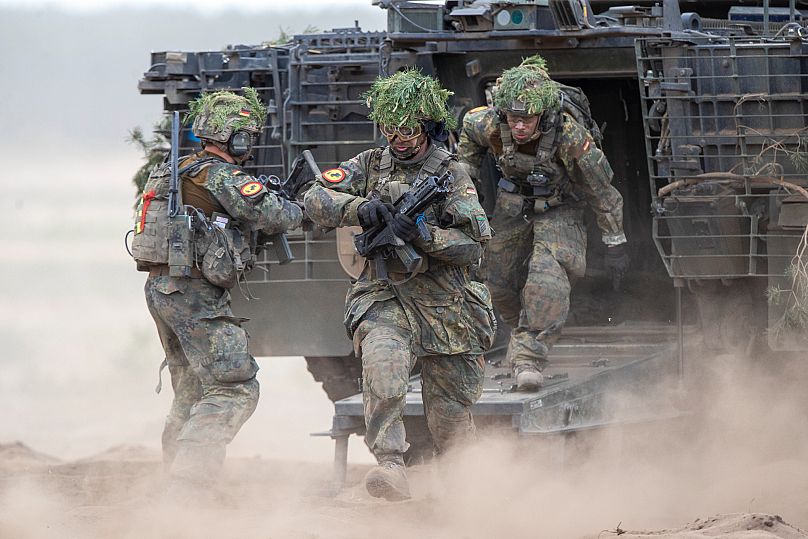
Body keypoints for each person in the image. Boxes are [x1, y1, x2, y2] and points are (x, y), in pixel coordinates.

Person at [304, 69, 495, 501]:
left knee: (449, 418)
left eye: (407, 129)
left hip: (446, 305)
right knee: (383, 368)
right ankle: (391, 465)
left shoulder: (452, 175)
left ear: (425, 125)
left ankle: (467, 495)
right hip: (384, 293)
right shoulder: (370, 164)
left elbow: (474, 246)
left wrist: (423, 235)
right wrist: (361, 208)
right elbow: (315, 198)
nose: (398, 138)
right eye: (390, 128)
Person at [130, 88, 303, 497]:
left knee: (190, 388)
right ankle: (190, 483)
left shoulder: (173, 169)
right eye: (247, 136)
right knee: (235, 385)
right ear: (235, 138)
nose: (250, 144)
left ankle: (174, 479)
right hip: (192, 293)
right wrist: (293, 203)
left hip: (162, 288)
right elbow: (279, 216)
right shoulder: (221, 175)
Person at [457, 55, 629, 391]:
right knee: (496, 281)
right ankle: (527, 330)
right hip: (513, 204)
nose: (520, 126)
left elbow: (602, 190)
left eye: (528, 119)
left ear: (541, 114)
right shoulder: (486, 124)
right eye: (513, 118)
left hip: (561, 208)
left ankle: (528, 358)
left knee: (546, 279)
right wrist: (465, 191)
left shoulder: (569, 136)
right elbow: (465, 153)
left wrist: (615, 241)